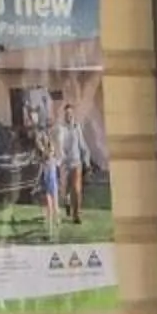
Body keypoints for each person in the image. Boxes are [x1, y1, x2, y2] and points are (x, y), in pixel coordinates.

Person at [54, 96, 89, 227]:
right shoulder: (61, 128)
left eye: (70, 114)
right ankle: (67, 202)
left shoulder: (77, 127)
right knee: (65, 190)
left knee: (76, 189)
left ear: (73, 114)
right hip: (64, 164)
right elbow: (58, 145)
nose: (68, 116)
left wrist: (86, 161)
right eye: (66, 114)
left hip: (76, 162)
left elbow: (82, 145)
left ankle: (76, 215)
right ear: (64, 115)